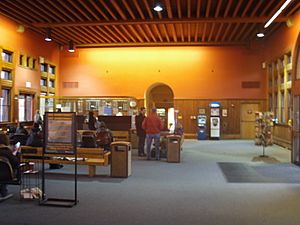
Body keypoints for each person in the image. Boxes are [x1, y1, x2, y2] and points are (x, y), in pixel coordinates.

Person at [0, 132, 20, 200]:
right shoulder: (7, 152)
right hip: (7, 175)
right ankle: (3, 191)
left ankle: (2, 189)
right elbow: (16, 163)